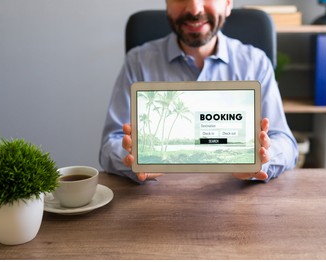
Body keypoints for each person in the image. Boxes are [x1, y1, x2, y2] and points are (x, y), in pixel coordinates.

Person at [99, 0, 298, 183]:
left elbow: (285, 143)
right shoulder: (138, 62)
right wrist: (133, 160)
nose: (194, 9)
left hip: (236, 200)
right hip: (158, 200)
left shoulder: (256, 63)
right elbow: (111, 144)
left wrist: (262, 161)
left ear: (228, 4)